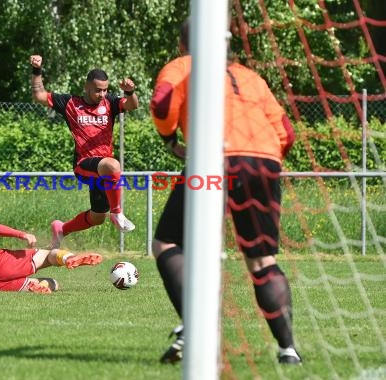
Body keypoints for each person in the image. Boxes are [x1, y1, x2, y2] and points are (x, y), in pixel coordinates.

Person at [149, 19, 301, 365]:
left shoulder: (182, 65)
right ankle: (288, 349)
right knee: (263, 260)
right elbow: (287, 133)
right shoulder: (251, 77)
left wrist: (169, 139)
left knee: (167, 243)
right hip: (264, 163)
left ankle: (194, 329)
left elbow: (161, 103)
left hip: (214, 163)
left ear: (182, 45)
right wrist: (265, 164)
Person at [29, 55, 140, 249]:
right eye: (98, 90)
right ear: (86, 86)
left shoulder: (110, 103)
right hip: (84, 164)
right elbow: (39, 96)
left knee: (97, 217)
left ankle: (61, 229)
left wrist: (130, 92)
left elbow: (132, 105)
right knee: (113, 164)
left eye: (105, 90)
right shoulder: (70, 103)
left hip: (104, 172)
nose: (103, 94)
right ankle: (117, 212)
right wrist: (37, 71)